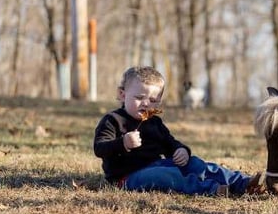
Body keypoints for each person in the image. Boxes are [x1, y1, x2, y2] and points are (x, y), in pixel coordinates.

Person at [93, 66, 263, 197]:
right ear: (122, 95)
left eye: (153, 100)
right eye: (139, 98)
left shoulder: (154, 122)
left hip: (157, 164)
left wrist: (181, 151)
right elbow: (99, 148)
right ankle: (213, 189)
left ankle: (243, 182)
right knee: (168, 175)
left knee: (196, 164)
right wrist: (122, 143)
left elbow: (170, 143)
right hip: (127, 177)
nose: (146, 104)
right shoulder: (113, 120)